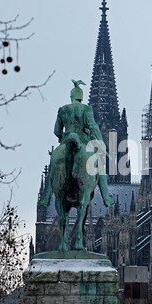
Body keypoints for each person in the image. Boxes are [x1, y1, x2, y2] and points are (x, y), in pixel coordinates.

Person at [39, 79, 115, 208]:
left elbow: (56, 131)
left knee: (52, 165)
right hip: (83, 142)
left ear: (71, 96)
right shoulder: (86, 109)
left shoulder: (63, 109)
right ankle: (106, 198)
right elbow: (94, 127)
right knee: (100, 168)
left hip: (66, 141)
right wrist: (100, 142)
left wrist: (62, 137)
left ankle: (46, 197)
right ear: (81, 97)